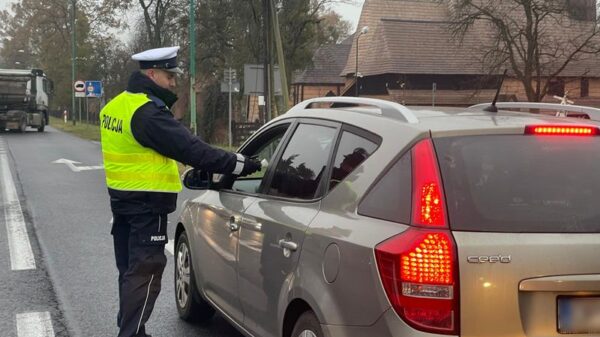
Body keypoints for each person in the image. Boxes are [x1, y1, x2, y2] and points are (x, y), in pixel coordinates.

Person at [99, 46, 261, 337]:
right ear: (152, 73)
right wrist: (242, 164)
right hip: (147, 206)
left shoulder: (115, 106)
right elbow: (193, 150)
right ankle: (131, 334)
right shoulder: (147, 114)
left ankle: (132, 330)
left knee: (130, 273)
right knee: (146, 272)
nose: (174, 82)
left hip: (122, 203)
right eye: (169, 75)